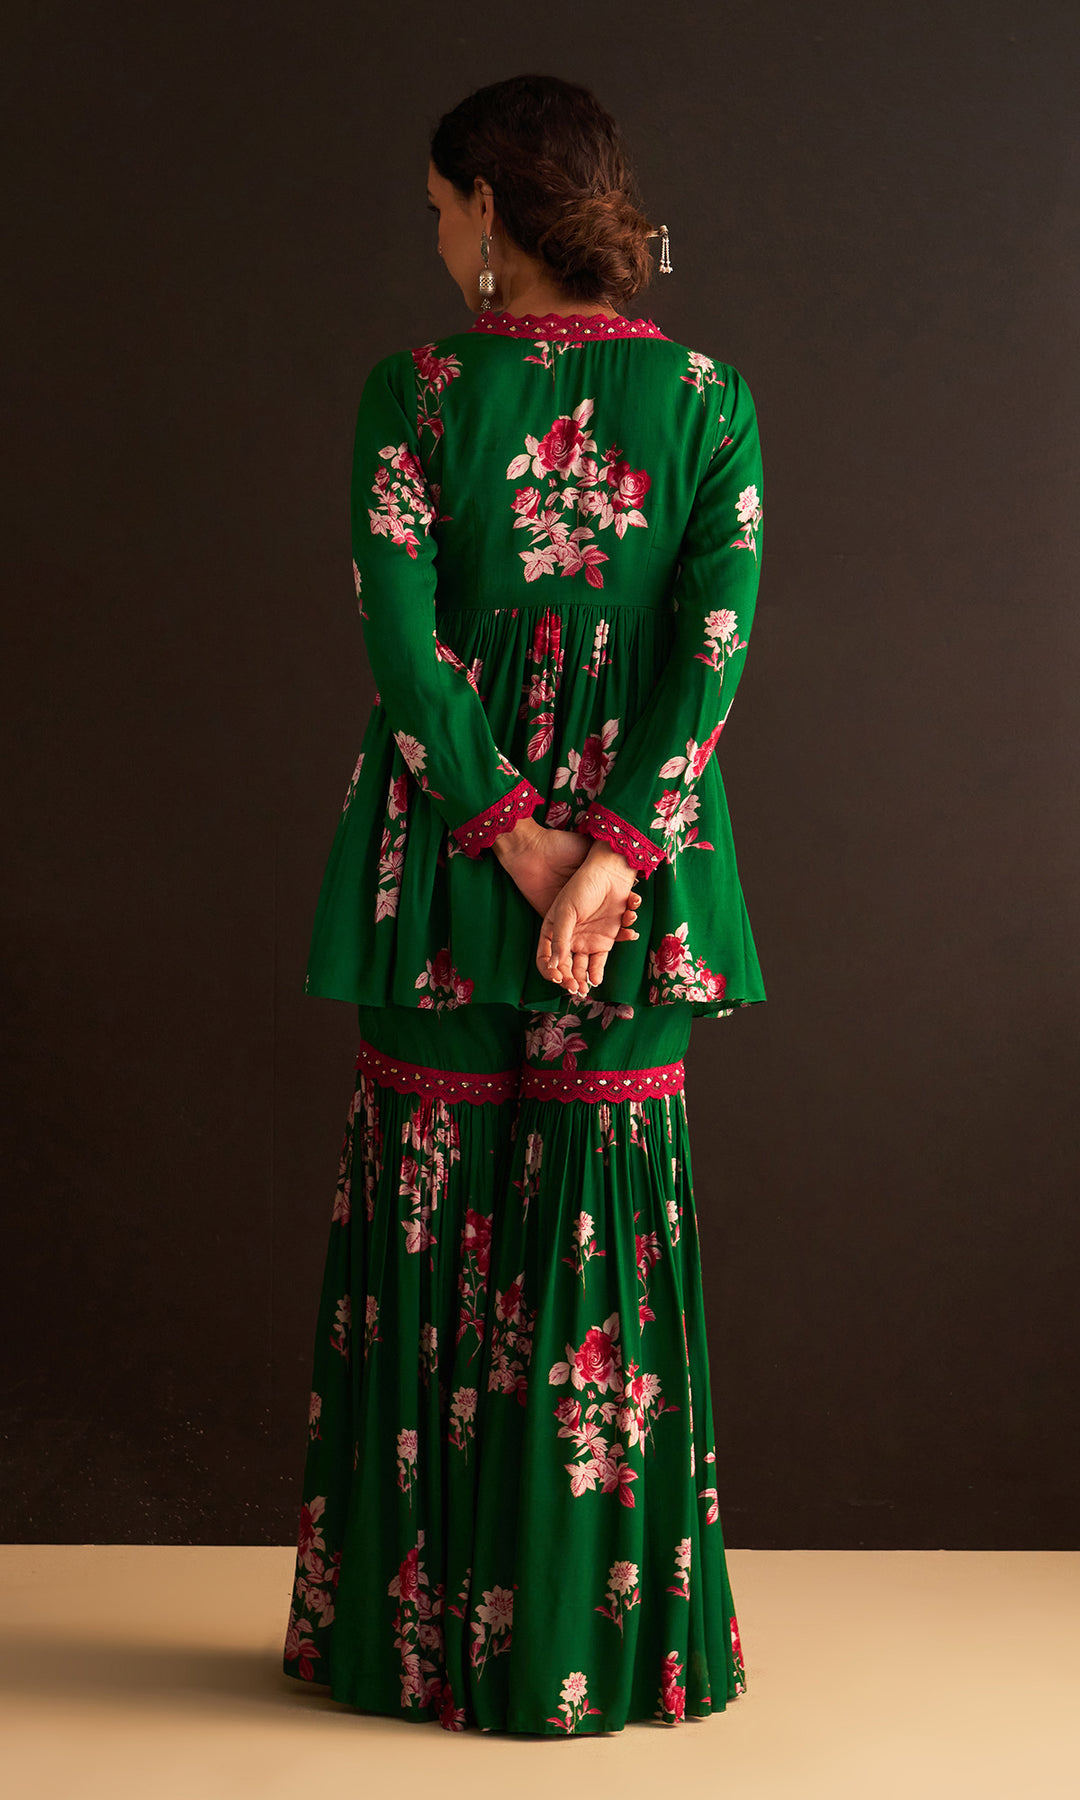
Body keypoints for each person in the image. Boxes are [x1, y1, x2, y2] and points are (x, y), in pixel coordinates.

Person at [282, 72, 765, 1736]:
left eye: (438, 211)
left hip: (441, 871)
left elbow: (401, 644)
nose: (434, 239)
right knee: (601, 1244)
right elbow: (714, 648)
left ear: (489, 210)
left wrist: (519, 840)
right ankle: (602, 1654)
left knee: (428, 1225)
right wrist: (618, 853)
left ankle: (409, 1652)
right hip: (642, 885)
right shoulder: (709, 400)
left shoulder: (415, 392)